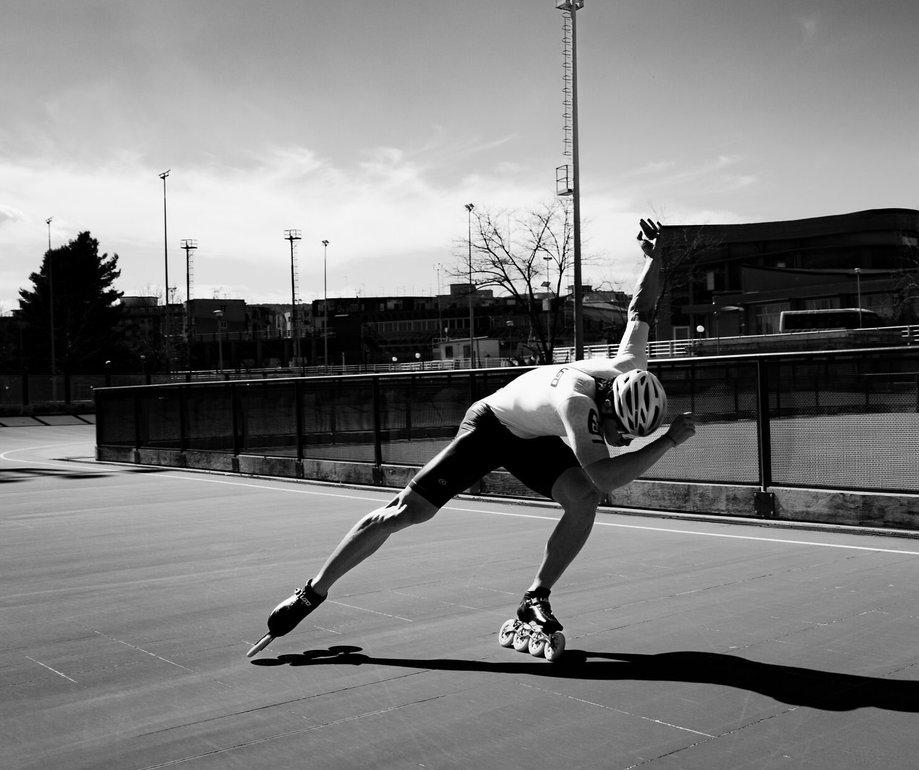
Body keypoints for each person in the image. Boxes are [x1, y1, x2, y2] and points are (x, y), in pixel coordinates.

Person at [247, 218, 695, 657]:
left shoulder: (629, 367)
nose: (621, 440)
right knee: (406, 513)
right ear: (609, 406)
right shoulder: (578, 406)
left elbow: (640, 309)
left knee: (583, 500)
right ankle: (311, 592)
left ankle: (535, 598)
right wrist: (668, 441)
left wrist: (654, 259)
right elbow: (607, 477)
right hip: (491, 425)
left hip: (532, 433)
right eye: (621, 432)